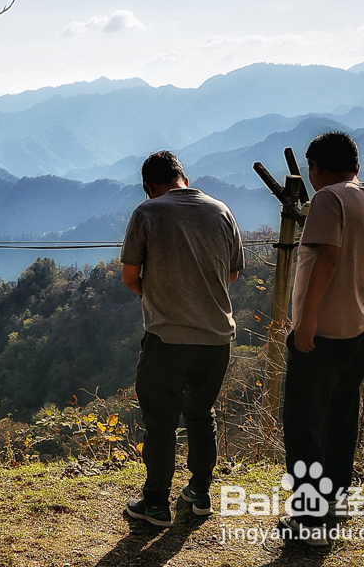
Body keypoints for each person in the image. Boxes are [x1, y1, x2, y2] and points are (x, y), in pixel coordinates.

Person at [120, 150, 244, 527]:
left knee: (161, 422)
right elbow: (232, 274)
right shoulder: (221, 211)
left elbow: (129, 277)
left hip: (167, 339)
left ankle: (156, 503)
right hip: (217, 337)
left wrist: (162, 296)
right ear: (184, 179)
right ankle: (200, 493)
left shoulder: (147, 212)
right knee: (201, 416)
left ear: (149, 186)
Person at [280, 132, 364, 546]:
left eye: (311, 168)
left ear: (316, 168)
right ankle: (334, 503)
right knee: (340, 417)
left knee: (304, 424)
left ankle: (310, 522)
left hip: (323, 331)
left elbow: (326, 257)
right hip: (361, 326)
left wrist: (306, 320)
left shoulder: (329, 199)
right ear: (356, 165)